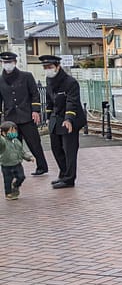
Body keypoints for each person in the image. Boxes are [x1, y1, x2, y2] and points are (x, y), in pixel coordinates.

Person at [40, 55, 85, 188]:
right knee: (56, 148)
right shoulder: (49, 80)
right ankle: (63, 173)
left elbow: (72, 102)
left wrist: (68, 119)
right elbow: (49, 100)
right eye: (45, 67)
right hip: (55, 120)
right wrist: (48, 117)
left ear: (58, 67)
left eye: (50, 67)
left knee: (69, 151)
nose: (47, 70)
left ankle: (69, 179)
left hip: (70, 120)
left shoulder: (70, 82)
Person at [0, 51, 48, 175]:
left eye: (10, 62)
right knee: (13, 145)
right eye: (5, 62)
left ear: (15, 62)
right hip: (10, 119)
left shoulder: (26, 76)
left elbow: (35, 94)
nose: (7, 64)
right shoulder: (0, 80)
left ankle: (42, 166)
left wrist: (36, 110)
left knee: (34, 143)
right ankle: (16, 169)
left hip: (27, 116)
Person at [0, 120, 33, 199]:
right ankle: (8, 193)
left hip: (17, 163)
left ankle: (15, 185)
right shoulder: (3, 142)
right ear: (4, 133)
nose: (14, 132)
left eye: (15, 130)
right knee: (8, 180)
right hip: (6, 165)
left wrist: (29, 157)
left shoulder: (17, 141)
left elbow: (22, 152)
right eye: (11, 131)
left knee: (21, 177)